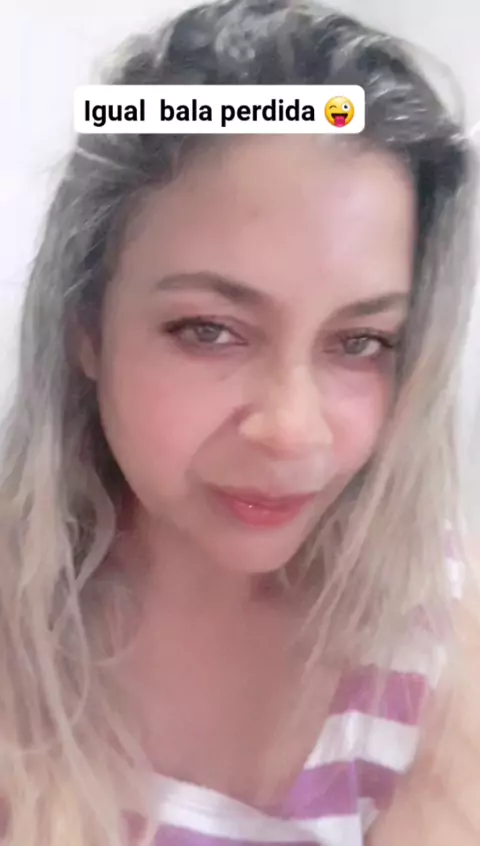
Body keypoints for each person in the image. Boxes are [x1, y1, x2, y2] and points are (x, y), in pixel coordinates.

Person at [0, 1, 478, 844]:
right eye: (209, 331)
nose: (293, 431)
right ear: (85, 328)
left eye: (360, 342)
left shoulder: (437, 652)